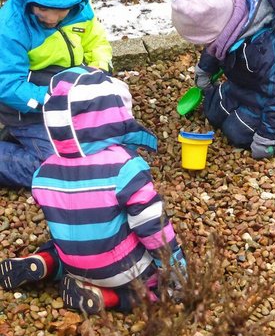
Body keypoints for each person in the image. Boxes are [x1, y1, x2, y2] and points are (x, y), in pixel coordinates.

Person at [0, 67, 186, 314]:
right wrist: (176, 268)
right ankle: (107, 297)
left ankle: (44, 262)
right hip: (120, 268)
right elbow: (150, 224)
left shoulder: (44, 172)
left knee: (72, 240)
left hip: (74, 262)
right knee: (161, 290)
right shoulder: (125, 167)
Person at [0, 0, 112, 188]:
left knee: (108, 146)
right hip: (29, 111)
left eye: (60, 11)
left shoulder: (80, 9)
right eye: (42, 9)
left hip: (72, 101)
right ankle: (16, 142)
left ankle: (21, 140)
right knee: (57, 169)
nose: (50, 18)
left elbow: (98, 42)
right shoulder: (10, 28)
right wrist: (51, 100)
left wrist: (100, 68)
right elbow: (7, 84)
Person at [171, 0, 275, 159]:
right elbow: (214, 48)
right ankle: (241, 104)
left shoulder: (270, 47)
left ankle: (263, 126)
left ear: (223, 31)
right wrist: (205, 69)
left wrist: (266, 138)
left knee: (236, 132)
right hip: (245, 80)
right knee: (213, 112)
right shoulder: (228, 21)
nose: (207, 46)